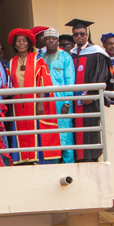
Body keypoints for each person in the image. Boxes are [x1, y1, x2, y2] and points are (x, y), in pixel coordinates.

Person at [7, 28, 60, 164]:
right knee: (20, 129)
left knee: (36, 129)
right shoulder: (11, 62)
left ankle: (36, 158)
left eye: (24, 41)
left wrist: (40, 102)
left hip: (34, 101)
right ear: (14, 44)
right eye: (18, 41)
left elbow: (44, 82)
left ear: (29, 43)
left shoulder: (37, 60)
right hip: (18, 103)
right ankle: (23, 158)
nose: (21, 43)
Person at [65, 19, 110, 162]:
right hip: (73, 100)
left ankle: (91, 158)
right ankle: (76, 158)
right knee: (74, 127)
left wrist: (91, 93)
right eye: (76, 34)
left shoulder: (96, 52)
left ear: (87, 34)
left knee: (89, 125)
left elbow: (102, 74)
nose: (79, 37)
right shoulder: (70, 54)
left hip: (89, 101)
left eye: (82, 34)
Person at [41, 27, 75, 163]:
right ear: (44, 41)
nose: (51, 41)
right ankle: (52, 165)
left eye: (53, 38)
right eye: (48, 38)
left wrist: (67, 103)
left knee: (65, 135)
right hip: (46, 102)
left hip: (62, 102)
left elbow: (70, 81)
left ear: (58, 40)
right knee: (50, 135)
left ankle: (68, 165)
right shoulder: (41, 58)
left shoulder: (65, 57)